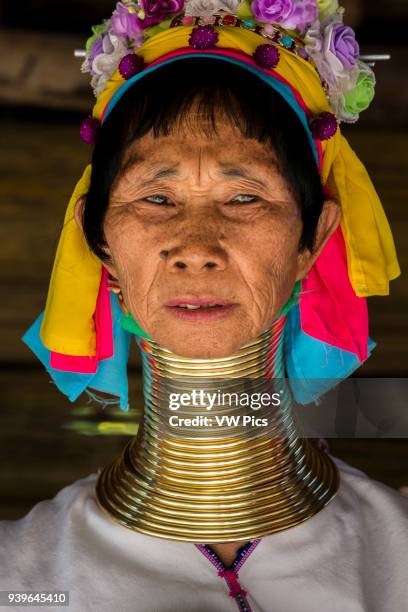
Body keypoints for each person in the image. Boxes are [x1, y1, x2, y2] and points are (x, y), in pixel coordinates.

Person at [1, 1, 407, 610]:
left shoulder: (396, 557)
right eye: (156, 198)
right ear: (101, 241)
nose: (196, 249)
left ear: (311, 240)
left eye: (244, 196)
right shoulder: (25, 579)